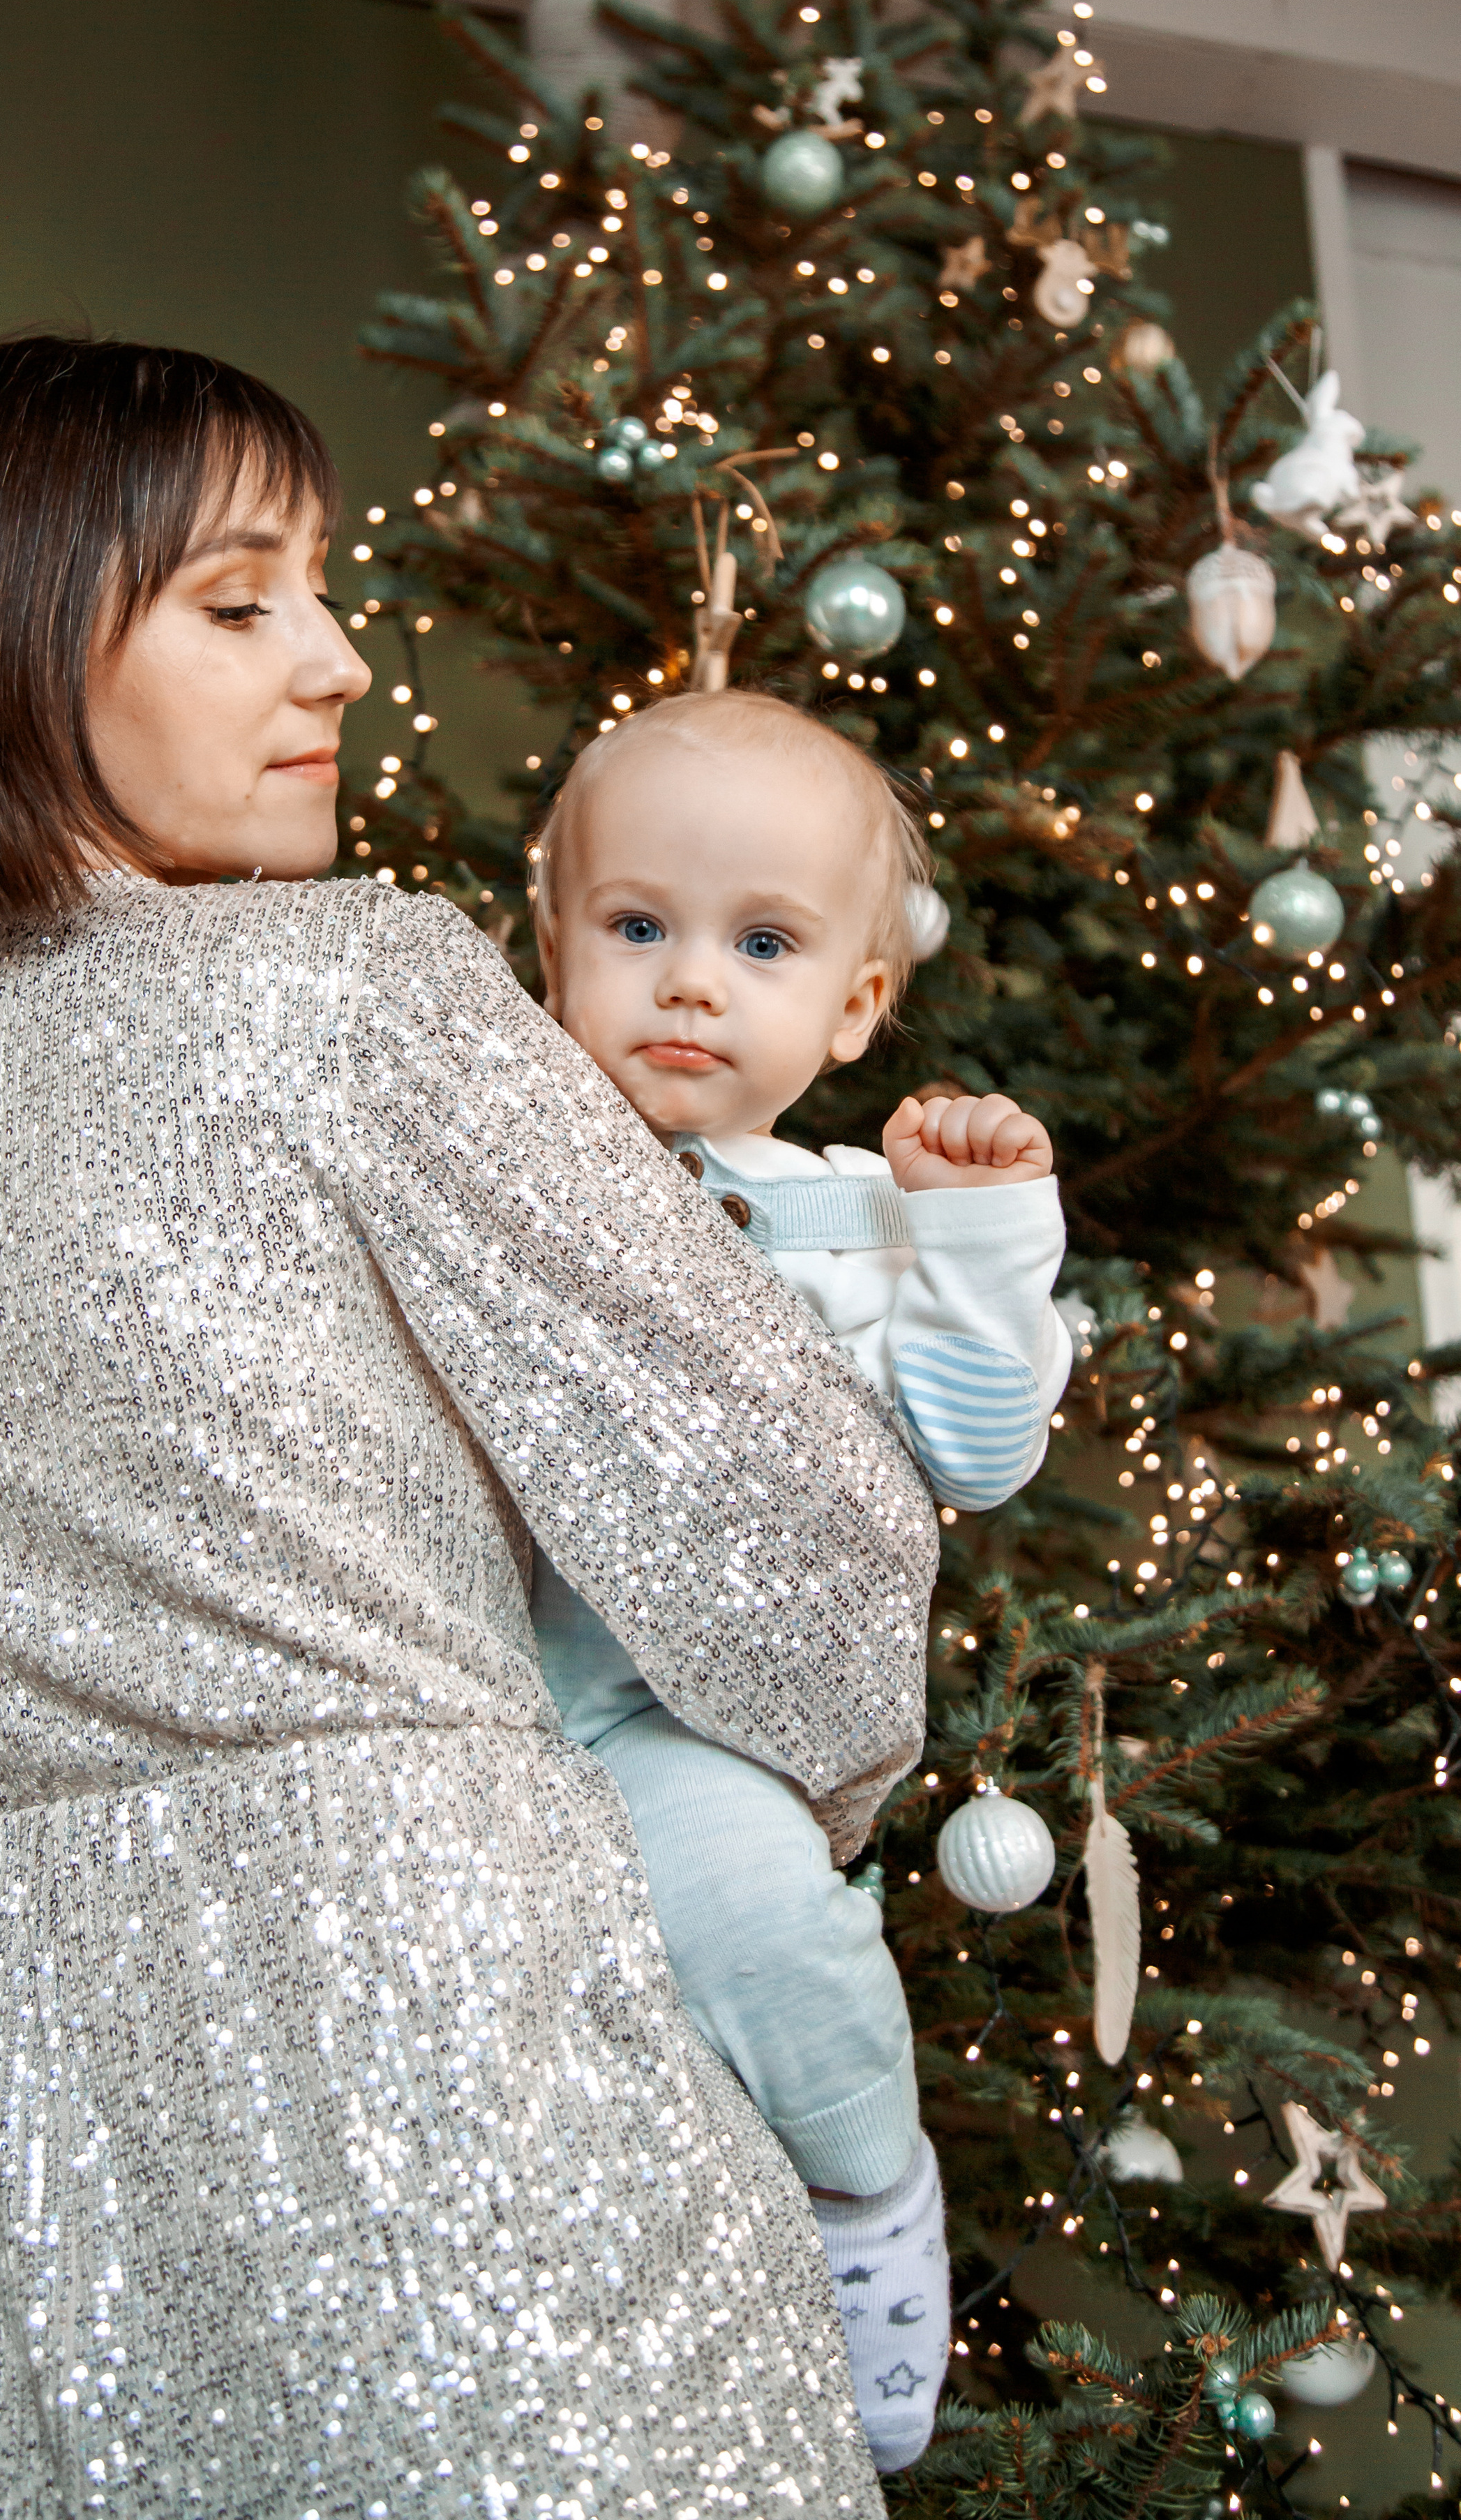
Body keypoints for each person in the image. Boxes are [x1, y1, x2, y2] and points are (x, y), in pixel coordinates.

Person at [0, 337, 938, 2518]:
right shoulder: (346, 990)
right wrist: (783, 1828)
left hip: (29, 2165)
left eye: (322, 588)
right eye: (241, 600)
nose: (344, 662)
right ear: (18, 630)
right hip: (471, 2100)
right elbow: (793, 1543)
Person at [527, 692, 1070, 2468]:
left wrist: (972, 1240)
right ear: (551, 944)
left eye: (761, 944)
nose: (690, 982)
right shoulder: (488, 1171)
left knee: (767, 1928)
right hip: (454, 1685)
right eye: (636, 926)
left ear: (851, 1006)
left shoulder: (854, 1225)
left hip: (679, 1723)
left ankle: (863, 2197)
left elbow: (972, 1456)